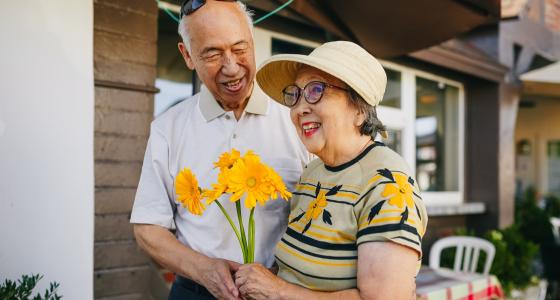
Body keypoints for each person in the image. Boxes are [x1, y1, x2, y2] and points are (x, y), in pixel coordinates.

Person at [130, 1, 309, 299]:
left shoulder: (296, 117)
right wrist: (203, 269)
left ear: (252, 43)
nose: (231, 67)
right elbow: (147, 229)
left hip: (284, 290)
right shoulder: (167, 128)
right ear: (187, 55)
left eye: (240, 49)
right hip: (197, 291)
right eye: (212, 53)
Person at [234, 41, 428, 299]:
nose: (300, 108)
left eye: (316, 90)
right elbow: (301, 273)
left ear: (359, 110)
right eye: (296, 94)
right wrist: (262, 278)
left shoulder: (387, 184)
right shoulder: (312, 172)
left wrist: (278, 291)